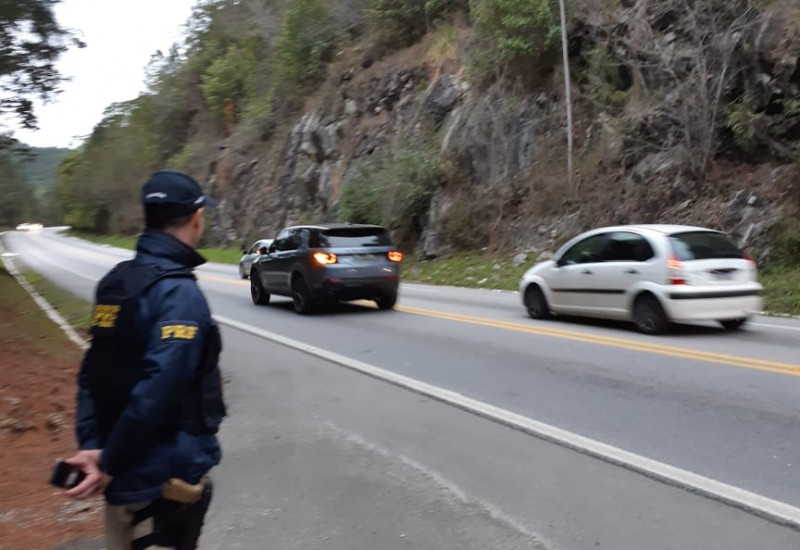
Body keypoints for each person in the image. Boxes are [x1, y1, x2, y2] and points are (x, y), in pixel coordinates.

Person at [63, 170, 226, 550]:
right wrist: (109, 462)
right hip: (160, 482)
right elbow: (158, 391)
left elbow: (92, 372)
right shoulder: (178, 293)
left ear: (146, 217)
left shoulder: (116, 283)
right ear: (197, 218)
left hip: (123, 476)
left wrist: (94, 446)